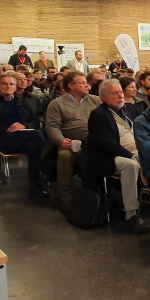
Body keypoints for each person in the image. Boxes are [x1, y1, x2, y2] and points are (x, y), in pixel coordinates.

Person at [88, 79, 150, 233]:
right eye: (115, 93)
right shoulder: (98, 115)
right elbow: (105, 142)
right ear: (103, 97)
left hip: (137, 151)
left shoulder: (130, 109)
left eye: (120, 92)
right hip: (111, 156)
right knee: (130, 165)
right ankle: (131, 214)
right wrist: (129, 155)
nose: (120, 95)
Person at [0, 73, 48, 196]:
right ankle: (47, 174)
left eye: (11, 84)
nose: (8, 86)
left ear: (15, 87)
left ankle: (34, 184)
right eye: (4, 84)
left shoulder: (23, 102)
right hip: (1, 139)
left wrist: (24, 126)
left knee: (33, 147)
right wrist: (7, 129)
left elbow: (34, 121)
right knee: (38, 136)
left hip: (24, 137)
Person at [44, 72, 101, 212]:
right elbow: (52, 126)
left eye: (86, 82)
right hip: (71, 143)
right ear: (71, 86)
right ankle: (66, 198)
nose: (86, 85)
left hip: (94, 142)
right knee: (65, 156)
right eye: (82, 83)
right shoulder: (57, 104)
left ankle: (96, 193)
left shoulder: (96, 101)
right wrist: (61, 140)